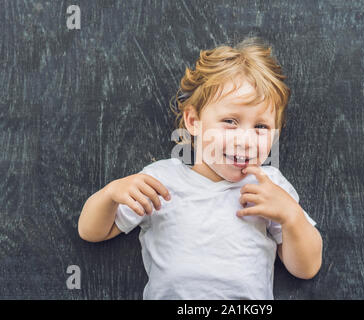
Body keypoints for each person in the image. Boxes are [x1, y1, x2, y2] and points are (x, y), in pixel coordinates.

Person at [78, 36, 323, 299]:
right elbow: (92, 233)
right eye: (230, 121)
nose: (245, 140)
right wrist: (110, 195)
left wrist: (292, 217)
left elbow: (306, 269)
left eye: (261, 127)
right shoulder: (159, 181)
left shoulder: (269, 186)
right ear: (194, 121)